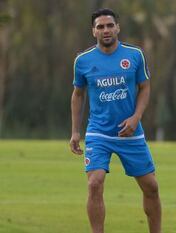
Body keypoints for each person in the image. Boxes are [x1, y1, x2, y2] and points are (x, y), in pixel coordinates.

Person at [69, 8, 161, 233]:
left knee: (151, 187)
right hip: (99, 132)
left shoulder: (134, 55)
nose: (106, 30)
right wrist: (75, 131)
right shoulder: (83, 61)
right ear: (93, 31)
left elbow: (145, 87)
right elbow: (78, 94)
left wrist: (136, 117)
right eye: (100, 27)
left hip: (131, 133)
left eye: (110, 25)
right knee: (94, 183)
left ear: (118, 27)